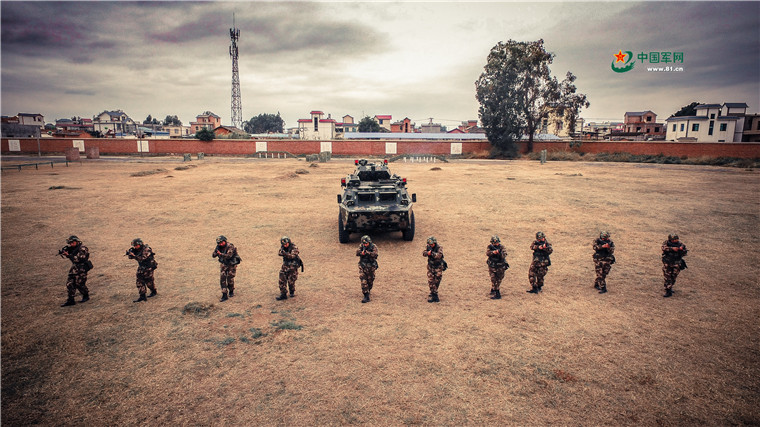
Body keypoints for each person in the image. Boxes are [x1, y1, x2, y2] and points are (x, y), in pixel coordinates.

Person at [58, 235, 91, 307]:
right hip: (74, 269)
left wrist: (69, 255)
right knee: (69, 284)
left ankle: (86, 295)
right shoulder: (73, 249)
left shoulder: (83, 248)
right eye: (70, 243)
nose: (71, 244)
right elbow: (73, 259)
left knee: (80, 283)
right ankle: (71, 300)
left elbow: (80, 259)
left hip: (81, 269)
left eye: (72, 242)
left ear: (77, 241)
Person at [126, 238, 157, 303]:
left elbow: (141, 258)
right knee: (139, 281)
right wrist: (130, 253)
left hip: (149, 268)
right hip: (142, 267)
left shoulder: (146, 249)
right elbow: (130, 257)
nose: (135, 247)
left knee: (149, 281)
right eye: (134, 246)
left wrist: (134, 255)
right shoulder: (137, 250)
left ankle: (153, 291)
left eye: (136, 245)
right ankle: (142, 296)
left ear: (140, 244)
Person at [213, 235, 240, 302]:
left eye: (222, 242)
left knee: (230, 278)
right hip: (224, 264)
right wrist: (216, 252)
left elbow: (229, 256)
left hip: (232, 264)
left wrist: (220, 254)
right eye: (219, 243)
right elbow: (213, 255)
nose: (221, 244)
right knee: (222, 278)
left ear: (225, 241)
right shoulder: (218, 247)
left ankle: (231, 290)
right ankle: (224, 294)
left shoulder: (230, 246)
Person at [661, 234, 688, 298]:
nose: (676, 240)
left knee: (674, 276)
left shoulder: (681, 244)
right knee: (667, 276)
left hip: (676, 263)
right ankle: (668, 290)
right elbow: (664, 248)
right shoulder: (666, 243)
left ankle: (670, 286)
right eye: (674, 240)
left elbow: (685, 252)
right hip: (668, 262)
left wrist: (681, 250)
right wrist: (672, 249)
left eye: (676, 239)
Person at [277, 236, 301, 301]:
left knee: (291, 281)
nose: (285, 245)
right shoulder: (283, 247)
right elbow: (279, 253)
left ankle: (292, 291)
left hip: (293, 267)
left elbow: (292, 256)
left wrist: (285, 253)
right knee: (281, 279)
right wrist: (282, 252)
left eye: (286, 244)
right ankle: (283, 294)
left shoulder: (294, 248)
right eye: (283, 244)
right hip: (285, 265)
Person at [356, 235, 379, 303]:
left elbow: (375, 255)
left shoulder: (373, 247)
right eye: (364, 243)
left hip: (371, 266)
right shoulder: (361, 246)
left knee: (370, 280)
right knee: (363, 279)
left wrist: (368, 253)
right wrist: (361, 253)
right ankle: (366, 295)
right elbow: (357, 252)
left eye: (366, 243)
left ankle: (368, 289)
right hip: (363, 266)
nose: (365, 245)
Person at [423, 236, 446, 303]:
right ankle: (434, 294)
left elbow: (438, 256)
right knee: (431, 281)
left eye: (432, 244)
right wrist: (427, 253)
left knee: (437, 280)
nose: (430, 246)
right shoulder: (428, 247)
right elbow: (424, 253)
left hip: (438, 267)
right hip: (431, 266)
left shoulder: (439, 247)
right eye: (429, 244)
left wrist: (431, 253)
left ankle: (433, 292)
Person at [486, 235, 509, 299]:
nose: (495, 244)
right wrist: (493, 252)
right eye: (494, 243)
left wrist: (499, 253)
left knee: (498, 279)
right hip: (492, 266)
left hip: (500, 266)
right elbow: (487, 253)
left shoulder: (502, 247)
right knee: (493, 278)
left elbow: (504, 255)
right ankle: (495, 290)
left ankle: (497, 292)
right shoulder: (490, 247)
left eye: (496, 243)